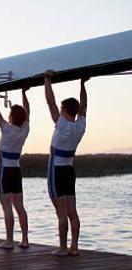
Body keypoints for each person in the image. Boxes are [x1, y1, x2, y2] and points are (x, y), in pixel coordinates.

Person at [44, 70, 89, 256]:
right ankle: (75, 247)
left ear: (64, 111)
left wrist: (47, 80)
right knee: (72, 211)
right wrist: (82, 84)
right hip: (70, 171)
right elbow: (84, 107)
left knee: (61, 213)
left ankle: (63, 248)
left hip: (56, 171)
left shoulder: (61, 124)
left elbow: (50, 101)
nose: (59, 110)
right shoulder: (80, 126)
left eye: (61, 109)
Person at [0, 83, 31, 249]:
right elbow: (28, 112)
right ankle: (25, 240)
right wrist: (24, 93)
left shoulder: (6, 129)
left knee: (7, 207)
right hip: (16, 171)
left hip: (4, 172)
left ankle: (9, 241)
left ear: (11, 116)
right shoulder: (25, 130)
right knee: (20, 207)